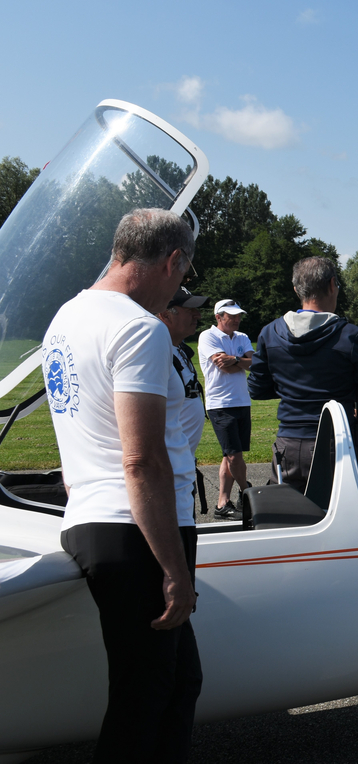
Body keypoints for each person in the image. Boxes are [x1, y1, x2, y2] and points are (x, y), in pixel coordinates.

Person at [42, 208, 201, 762]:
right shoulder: (139, 327)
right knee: (145, 697)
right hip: (139, 529)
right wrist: (174, 570)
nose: (179, 290)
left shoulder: (65, 317)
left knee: (177, 683)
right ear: (172, 260)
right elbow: (142, 460)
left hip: (96, 518)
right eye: (183, 275)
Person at [248, 257, 358, 490]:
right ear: (332, 285)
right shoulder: (350, 335)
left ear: (296, 289)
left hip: (287, 444)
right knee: (336, 512)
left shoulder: (270, 333)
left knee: (287, 511)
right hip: (335, 443)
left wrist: (292, 390)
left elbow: (257, 389)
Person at [198, 298, 253, 518]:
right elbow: (224, 367)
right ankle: (247, 492)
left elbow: (255, 363)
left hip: (242, 401)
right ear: (218, 317)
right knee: (233, 456)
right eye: (232, 316)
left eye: (238, 315)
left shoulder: (242, 337)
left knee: (228, 456)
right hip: (221, 404)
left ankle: (222, 503)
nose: (237, 319)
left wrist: (235, 360)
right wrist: (241, 362)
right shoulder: (208, 336)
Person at [156, 287, 208, 457]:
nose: (198, 315)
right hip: (168, 463)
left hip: (182, 461)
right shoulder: (156, 354)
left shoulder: (179, 348)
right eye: (190, 310)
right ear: (166, 315)